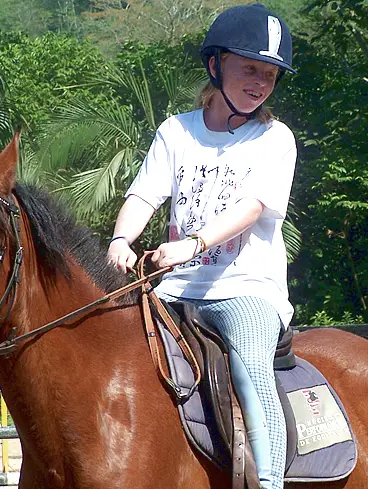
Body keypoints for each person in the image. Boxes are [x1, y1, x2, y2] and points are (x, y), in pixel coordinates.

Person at [107, 4, 297, 489]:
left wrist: (194, 243)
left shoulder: (275, 138)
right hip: (174, 289)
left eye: (270, 74)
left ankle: (269, 481)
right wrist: (121, 239)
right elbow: (143, 196)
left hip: (246, 288)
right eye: (250, 68)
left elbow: (252, 207)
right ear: (215, 65)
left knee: (250, 366)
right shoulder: (176, 131)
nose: (260, 83)